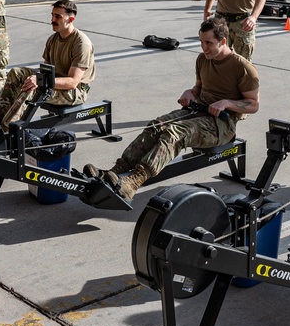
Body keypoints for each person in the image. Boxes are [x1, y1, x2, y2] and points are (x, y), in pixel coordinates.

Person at [84, 19, 259, 200]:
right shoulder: (202, 59)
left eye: (209, 43)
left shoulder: (243, 68)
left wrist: (227, 103)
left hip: (222, 123)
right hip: (199, 111)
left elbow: (254, 104)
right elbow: (197, 89)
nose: (204, 47)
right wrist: (189, 93)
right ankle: (115, 171)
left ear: (223, 41)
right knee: (156, 125)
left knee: (174, 133)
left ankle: (135, 181)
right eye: (201, 42)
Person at [0, 0, 94, 129]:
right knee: (16, 73)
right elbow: (46, 69)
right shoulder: (53, 39)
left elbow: (72, 82)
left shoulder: (81, 44)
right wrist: (35, 78)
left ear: (70, 20)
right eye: (52, 15)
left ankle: (9, 130)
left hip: (74, 92)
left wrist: (39, 81)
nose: (52, 19)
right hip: (55, 83)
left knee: (33, 88)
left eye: (58, 16)